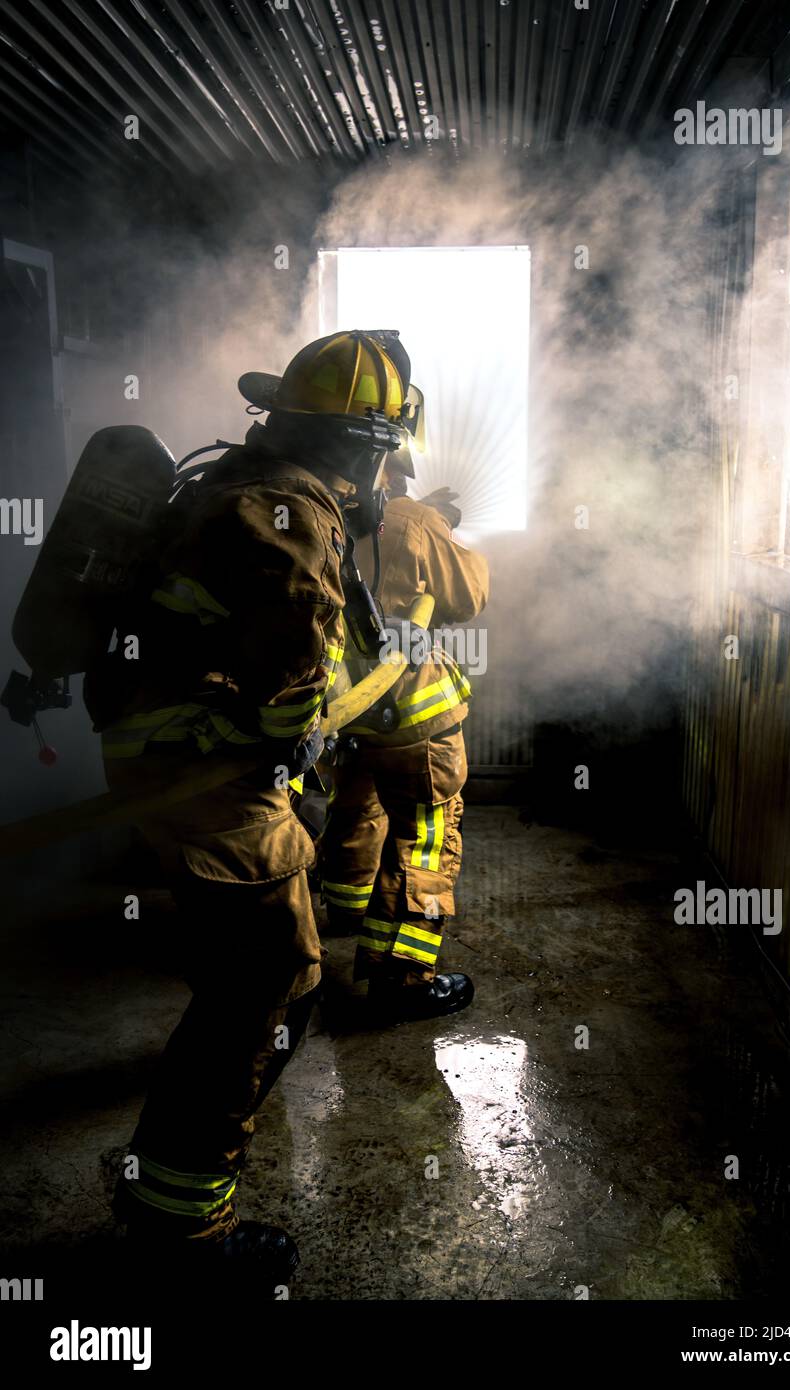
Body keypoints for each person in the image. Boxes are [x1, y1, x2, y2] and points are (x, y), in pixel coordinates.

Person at [85, 330, 411, 1276]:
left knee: (261, 974)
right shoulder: (289, 513)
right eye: (383, 451)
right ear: (360, 444)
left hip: (184, 760)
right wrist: (302, 733)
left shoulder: (247, 486)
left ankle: (170, 1202)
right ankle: (176, 1233)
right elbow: (291, 668)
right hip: (200, 773)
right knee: (265, 981)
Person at [320, 449, 489, 1021]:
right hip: (413, 713)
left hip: (347, 707)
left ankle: (346, 909)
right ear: (383, 466)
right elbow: (466, 596)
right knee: (426, 838)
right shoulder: (413, 517)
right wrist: (434, 522)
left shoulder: (312, 511)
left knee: (358, 807)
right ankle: (402, 979)